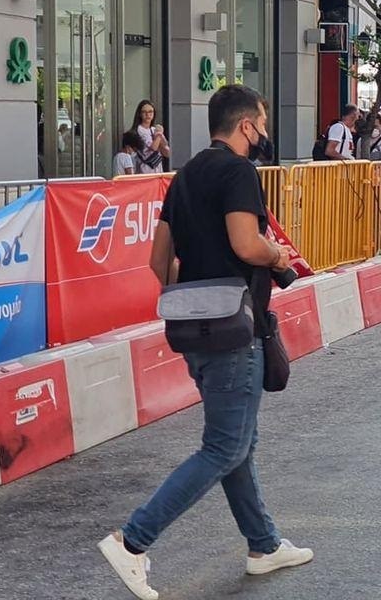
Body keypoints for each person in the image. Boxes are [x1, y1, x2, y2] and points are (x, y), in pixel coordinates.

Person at [99, 85, 312, 600]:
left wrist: (194, 295)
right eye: (261, 122)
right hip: (234, 327)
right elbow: (245, 242)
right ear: (246, 126)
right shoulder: (238, 172)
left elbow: (159, 263)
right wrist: (278, 258)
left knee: (237, 442)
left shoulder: (186, 173)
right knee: (224, 446)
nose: (263, 132)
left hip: (193, 326)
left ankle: (263, 544)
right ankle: (133, 542)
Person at [131, 100, 171, 173]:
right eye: (144, 112)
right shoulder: (139, 130)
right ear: (140, 114)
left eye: (150, 112)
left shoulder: (154, 129)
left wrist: (161, 143)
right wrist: (159, 134)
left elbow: (167, 153)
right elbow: (154, 147)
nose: (148, 115)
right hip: (145, 170)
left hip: (158, 169)